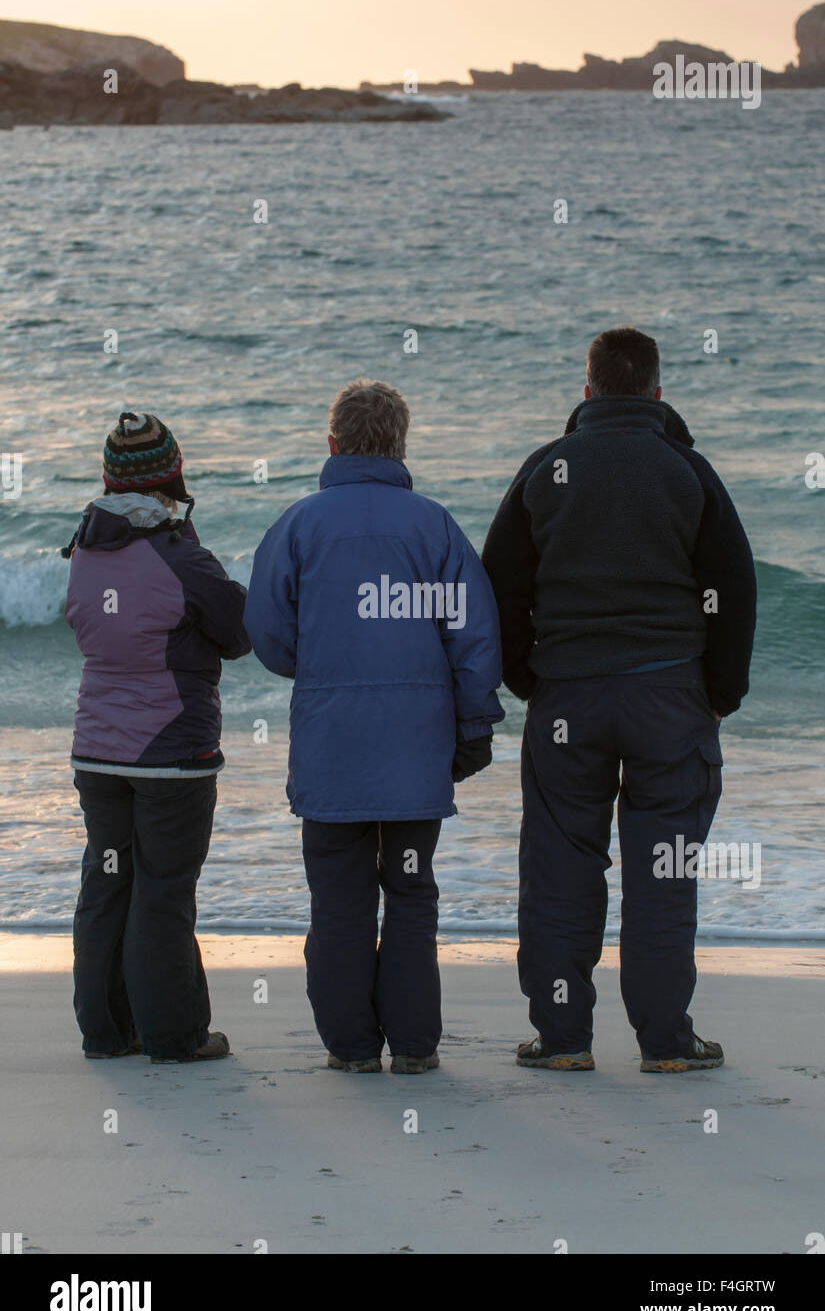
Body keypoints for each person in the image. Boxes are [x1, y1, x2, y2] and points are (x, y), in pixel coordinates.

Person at [482, 328, 757, 1074]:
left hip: (569, 696)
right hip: (669, 694)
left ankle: (564, 1039)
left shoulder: (548, 468)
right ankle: (666, 1041)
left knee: (561, 868)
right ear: (657, 395)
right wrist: (719, 693)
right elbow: (731, 586)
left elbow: (498, 580)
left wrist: (525, 677)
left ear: (587, 392)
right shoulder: (684, 469)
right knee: (664, 867)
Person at [244, 379, 504, 1074]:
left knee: (337, 896)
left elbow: (266, 632)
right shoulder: (433, 525)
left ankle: (351, 1047)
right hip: (417, 745)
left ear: (332, 444)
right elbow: (472, 635)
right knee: (411, 889)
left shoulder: (298, 524)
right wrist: (474, 724)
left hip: (332, 739)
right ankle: (414, 1046)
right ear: (400, 443)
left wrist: (323, 663)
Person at [63, 412, 250, 1063]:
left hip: (97, 750)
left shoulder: (84, 550)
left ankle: (106, 1032)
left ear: (109, 479)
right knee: (163, 890)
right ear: (174, 474)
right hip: (172, 754)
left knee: (108, 882)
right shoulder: (182, 556)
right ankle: (173, 1035)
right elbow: (237, 631)